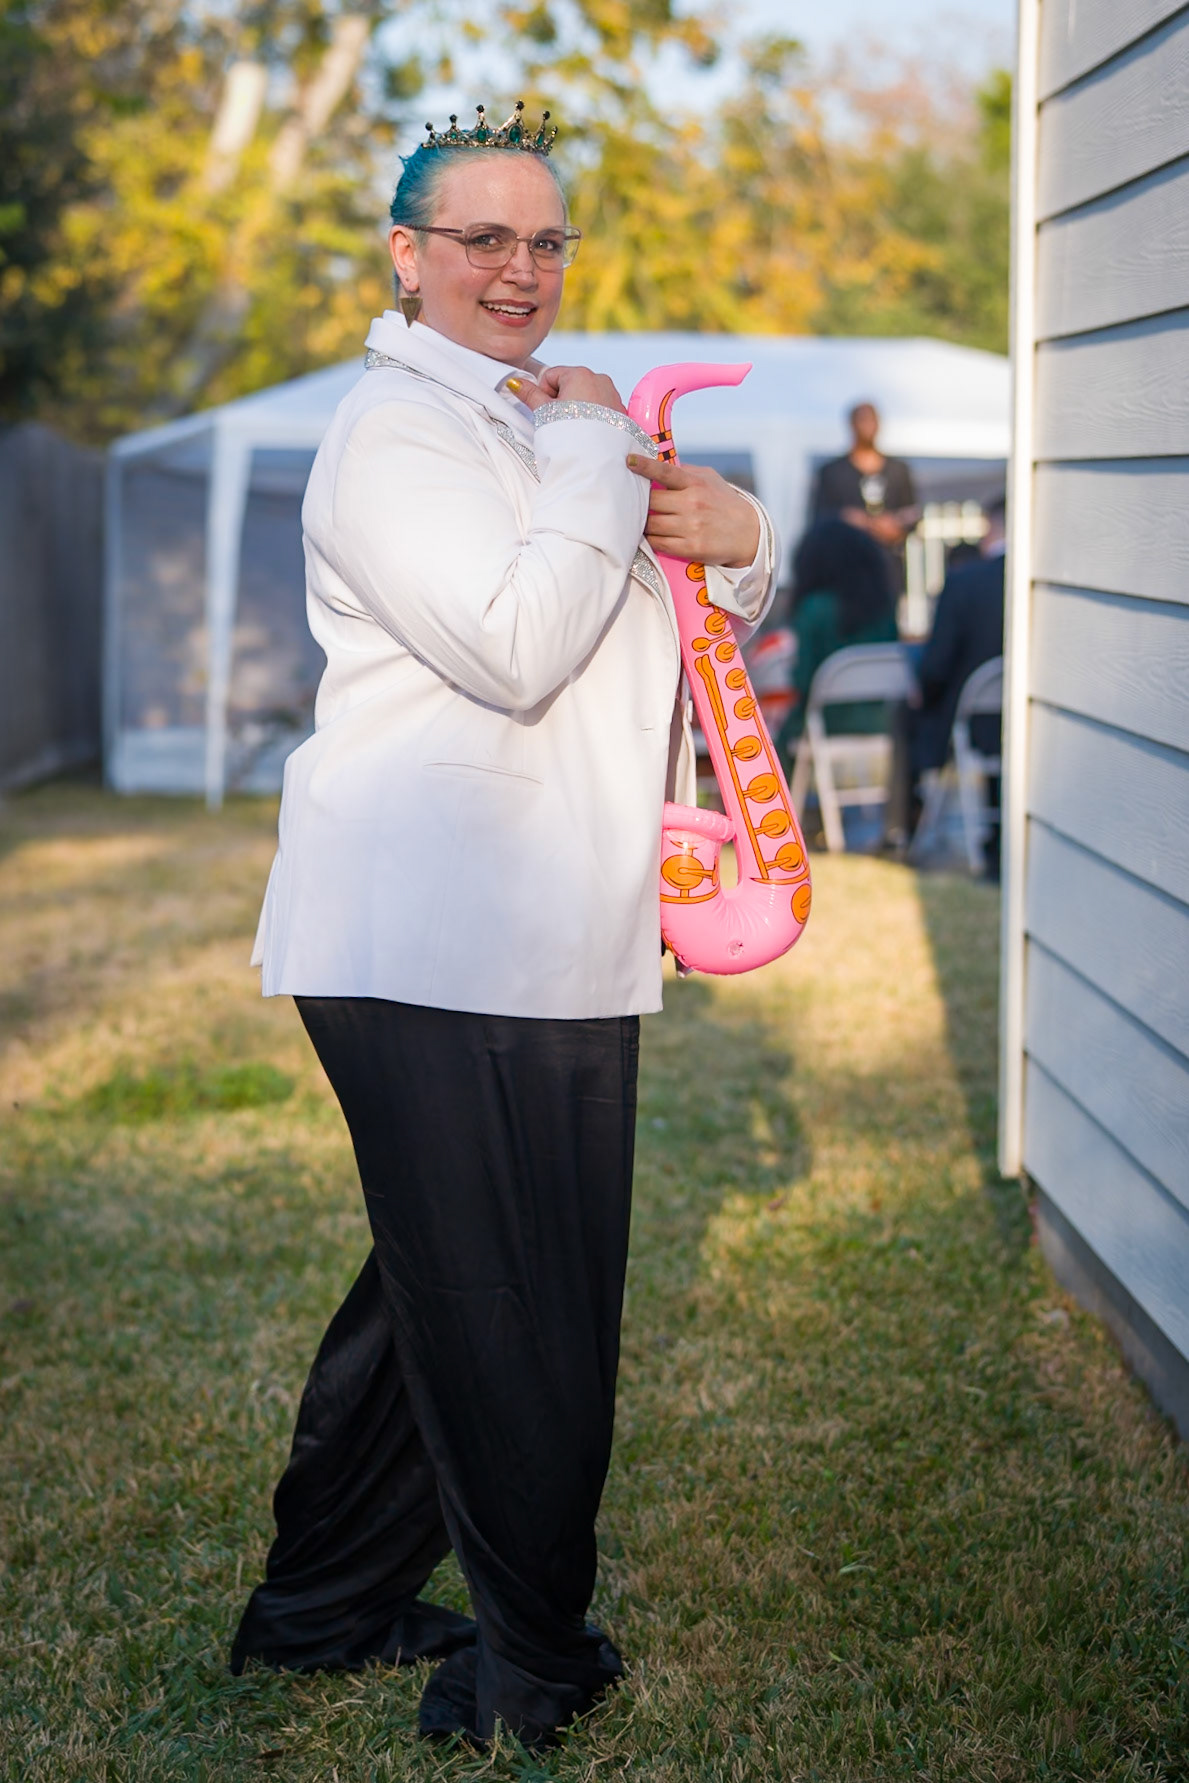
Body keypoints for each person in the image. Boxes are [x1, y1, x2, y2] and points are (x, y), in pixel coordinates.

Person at [230, 102, 777, 1752]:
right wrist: (598, 444)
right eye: (481, 238)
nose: (519, 269)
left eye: (544, 240)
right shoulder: (397, 433)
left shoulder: (538, 420)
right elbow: (520, 640)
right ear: (407, 256)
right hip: (434, 931)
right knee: (518, 1303)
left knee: (441, 1289)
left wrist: (737, 540)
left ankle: (320, 1609)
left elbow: (658, 617)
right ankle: (530, 1663)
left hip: (546, 921)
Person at [885, 496, 1006, 874]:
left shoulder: (966, 582)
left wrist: (924, 692)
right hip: (1026, 722)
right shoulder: (1048, 583)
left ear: (992, 527)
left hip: (971, 723)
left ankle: (902, 827)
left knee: (907, 715)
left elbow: (937, 666)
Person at [776, 517, 900, 760]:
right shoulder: (883, 611)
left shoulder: (813, 609)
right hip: (882, 729)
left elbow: (802, 681)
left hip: (825, 730)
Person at [812, 401, 919, 597]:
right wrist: (849, 520)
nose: (867, 426)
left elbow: (912, 514)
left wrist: (894, 526)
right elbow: (819, 517)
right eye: (862, 420)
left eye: (872, 420)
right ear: (852, 424)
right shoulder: (832, 471)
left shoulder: (898, 470)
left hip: (888, 572)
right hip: (845, 571)